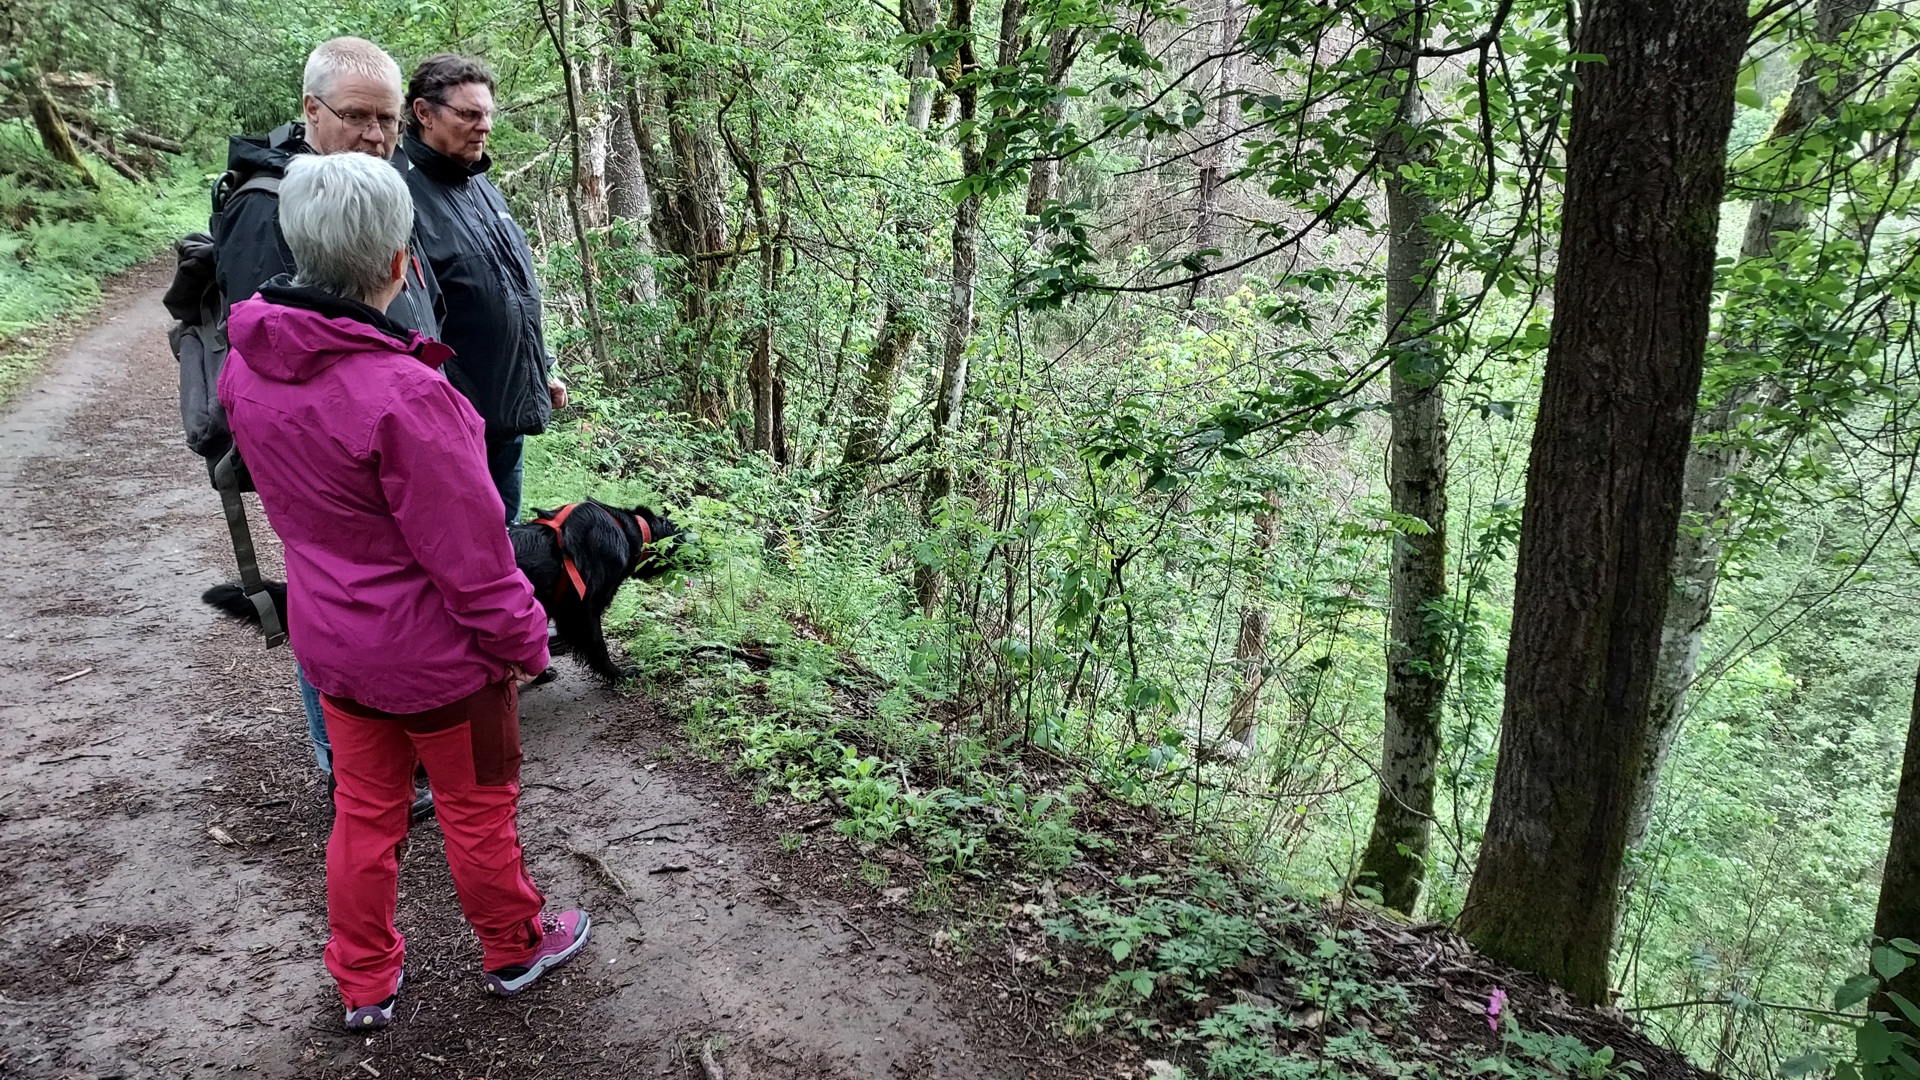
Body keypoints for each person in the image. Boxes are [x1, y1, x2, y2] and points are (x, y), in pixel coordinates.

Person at [218, 151, 591, 1029]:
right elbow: (475, 565)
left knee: (364, 813)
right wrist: (529, 645)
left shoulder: (252, 365)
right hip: (441, 666)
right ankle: (515, 948)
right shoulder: (409, 398)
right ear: (401, 262)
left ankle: (364, 983)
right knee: (477, 809)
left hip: (335, 649)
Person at [215, 36, 441, 814]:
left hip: (389, 431)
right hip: (331, 454)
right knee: (333, 600)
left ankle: (390, 746)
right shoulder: (270, 207)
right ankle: (344, 762)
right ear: (311, 111)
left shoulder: (375, 184)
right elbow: (271, 342)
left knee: (389, 599)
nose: (377, 134)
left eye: (387, 119)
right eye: (356, 116)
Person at [399, 54, 567, 524]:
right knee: (465, 554)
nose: (484, 126)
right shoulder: (400, 195)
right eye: (469, 114)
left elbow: (512, 291)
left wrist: (542, 367)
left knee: (503, 542)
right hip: (454, 425)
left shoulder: (480, 185)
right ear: (424, 113)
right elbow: (406, 319)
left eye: (488, 114)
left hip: (505, 413)